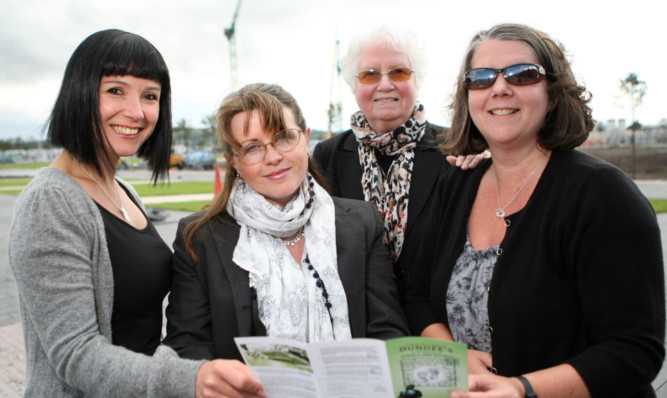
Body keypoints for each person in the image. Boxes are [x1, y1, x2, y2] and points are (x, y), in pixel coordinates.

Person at [403, 23, 665, 398]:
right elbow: (414, 291)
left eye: (522, 74)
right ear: (468, 96)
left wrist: (521, 389)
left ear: (554, 95)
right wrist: (452, 353)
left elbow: (633, 350)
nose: (500, 87)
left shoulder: (602, 196)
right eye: (481, 78)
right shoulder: (457, 182)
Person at [9, 29, 263, 397]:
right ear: (79, 92)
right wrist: (189, 378)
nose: (136, 112)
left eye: (150, 96)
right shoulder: (50, 202)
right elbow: (76, 355)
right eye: (115, 90)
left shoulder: (121, 190)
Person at [163, 83, 408, 367]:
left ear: (305, 139)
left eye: (283, 138)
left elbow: (387, 331)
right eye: (252, 148)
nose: (273, 157)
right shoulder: (200, 238)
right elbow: (187, 345)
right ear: (234, 161)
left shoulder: (362, 224)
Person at [312, 26, 486, 294]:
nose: (385, 84)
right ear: (354, 84)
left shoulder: (458, 147)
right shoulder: (328, 156)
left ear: (417, 80)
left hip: (434, 320)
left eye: (399, 72)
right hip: (360, 317)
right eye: (370, 74)